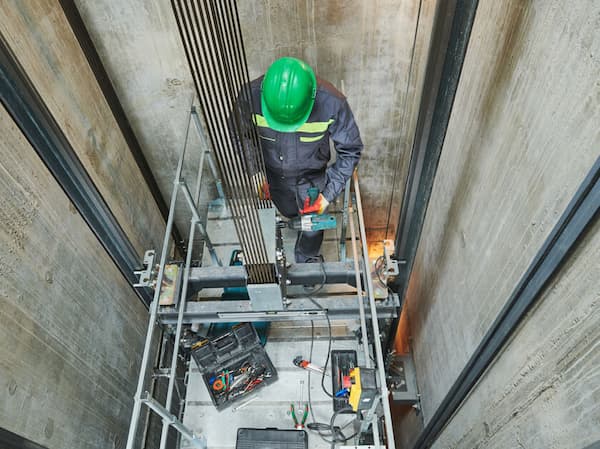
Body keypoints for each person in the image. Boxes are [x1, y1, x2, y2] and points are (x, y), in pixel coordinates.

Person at [239, 57, 363, 262]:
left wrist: (327, 194)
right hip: (273, 178)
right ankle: (292, 221)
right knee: (287, 210)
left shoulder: (332, 103)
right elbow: (239, 136)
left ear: (312, 99)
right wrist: (255, 172)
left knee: (313, 227)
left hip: (312, 180)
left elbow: (350, 150)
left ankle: (307, 257)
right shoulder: (249, 98)